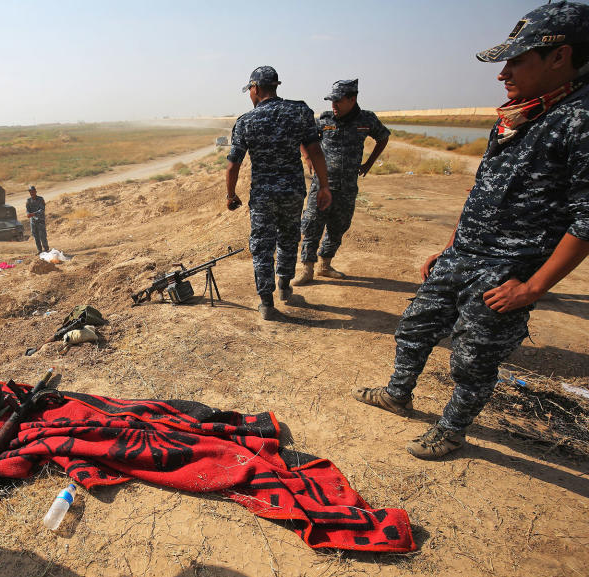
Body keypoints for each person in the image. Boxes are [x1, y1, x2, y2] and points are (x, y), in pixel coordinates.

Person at [353, 1, 589, 460]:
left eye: (516, 60)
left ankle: (451, 429)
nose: (503, 74)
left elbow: (587, 219)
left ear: (559, 56)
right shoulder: (520, 114)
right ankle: (398, 394)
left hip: (507, 270)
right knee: (414, 326)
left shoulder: (579, 120)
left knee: (473, 359)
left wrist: (533, 288)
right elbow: (482, 190)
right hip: (464, 254)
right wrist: (449, 247)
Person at [226, 66, 332, 320]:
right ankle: (285, 288)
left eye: (250, 90)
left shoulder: (246, 121)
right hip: (293, 191)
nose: (250, 95)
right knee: (287, 238)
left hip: (263, 195)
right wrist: (324, 185)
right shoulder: (299, 112)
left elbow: (233, 164)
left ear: (256, 88)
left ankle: (266, 303)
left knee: (262, 247)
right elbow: (315, 151)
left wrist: (230, 194)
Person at [294, 79, 391, 284]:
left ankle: (325, 265)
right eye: (332, 101)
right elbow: (304, 136)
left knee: (339, 226)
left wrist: (369, 164)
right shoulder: (325, 118)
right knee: (311, 224)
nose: (333, 105)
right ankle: (307, 269)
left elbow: (383, 137)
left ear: (352, 99)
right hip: (322, 185)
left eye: (338, 101)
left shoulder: (367, 120)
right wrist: (307, 157)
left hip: (347, 186)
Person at [26, 185, 49, 253]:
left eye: (33, 192)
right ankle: (39, 250)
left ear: (35, 192)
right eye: (30, 192)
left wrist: (33, 214)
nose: (32, 193)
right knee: (36, 236)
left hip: (40, 220)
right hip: (33, 221)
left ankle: (46, 249)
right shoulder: (28, 201)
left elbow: (42, 209)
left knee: (42, 236)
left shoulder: (40, 199)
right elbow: (27, 210)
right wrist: (28, 214)